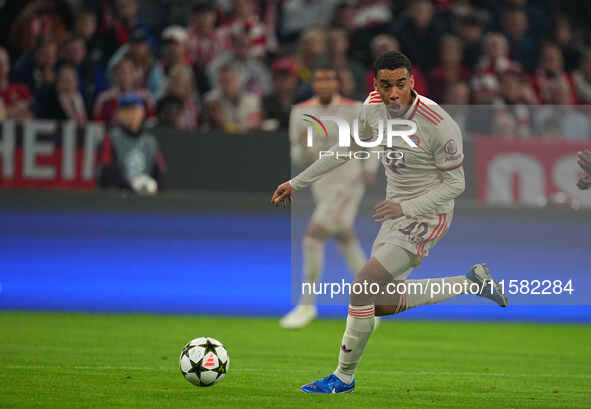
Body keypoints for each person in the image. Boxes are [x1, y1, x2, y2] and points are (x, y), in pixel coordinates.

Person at [271, 51, 508, 393]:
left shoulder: (439, 124)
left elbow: (456, 185)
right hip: (396, 214)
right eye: (385, 85)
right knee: (378, 302)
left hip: (428, 215)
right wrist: (297, 182)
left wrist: (408, 207)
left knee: (361, 287)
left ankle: (342, 377)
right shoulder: (372, 107)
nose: (393, 93)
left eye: (400, 84)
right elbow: (348, 147)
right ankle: (469, 282)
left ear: (412, 82)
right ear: (376, 85)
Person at [280, 62, 378, 329]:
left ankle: (306, 304)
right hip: (321, 184)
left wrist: (369, 167)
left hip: (348, 181)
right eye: (319, 80)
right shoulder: (301, 112)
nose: (324, 85)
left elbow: (374, 140)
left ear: (337, 83)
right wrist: (301, 144)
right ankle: (372, 304)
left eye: (329, 80)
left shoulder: (354, 109)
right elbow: (297, 156)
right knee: (344, 235)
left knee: (314, 235)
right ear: (314, 84)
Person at [96, 93, 165, 194]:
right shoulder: (110, 139)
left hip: (147, 198)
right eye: (126, 111)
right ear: (119, 114)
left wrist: (151, 185)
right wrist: (132, 186)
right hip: (119, 198)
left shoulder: (150, 142)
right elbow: (108, 172)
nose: (131, 115)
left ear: (142, 112)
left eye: (134, 110)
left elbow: (160, 173)